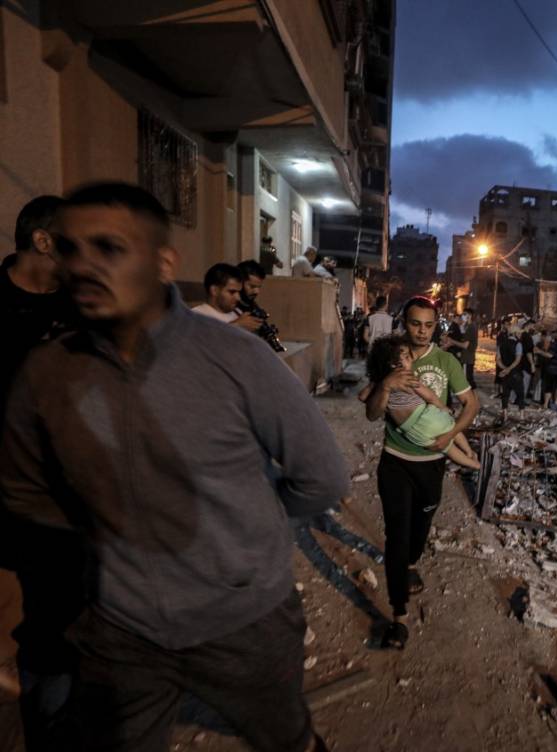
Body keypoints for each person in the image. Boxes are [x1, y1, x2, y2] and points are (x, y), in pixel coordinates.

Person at [0, 182, 347, 752]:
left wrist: (245, 530)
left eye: (109, 248)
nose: (84, 266)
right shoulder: (47, 371)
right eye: (70, 249)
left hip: (244, 619)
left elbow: (321, 476)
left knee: (287, 739)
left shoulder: (236, 357)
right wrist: (104, 544)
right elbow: (24, 492)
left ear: (163, 263)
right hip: (120, 630)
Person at [0, 195, 84, 751]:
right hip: (9, 496)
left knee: (62, 619)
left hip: (70, 497)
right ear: (44, 241)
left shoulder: (83, 307)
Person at [362, 296, 480, 650]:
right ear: (404, 323)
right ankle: (399, 617)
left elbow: (471, 404)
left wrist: (450, 433)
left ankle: (412, 561)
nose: (422, 331)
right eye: (415, 324)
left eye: (429, 325)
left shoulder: (446, 361)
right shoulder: (390, 357)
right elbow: (371, 413)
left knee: (421, 525)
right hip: (395, 462)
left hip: (432, 465)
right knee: (396, 537)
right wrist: (385, 386)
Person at [360, 335, 480, 469]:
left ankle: (474, 464)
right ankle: (470, 455)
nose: (411, 360)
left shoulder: (382, 384)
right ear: (394, 364)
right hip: (425, 417)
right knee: (451, 430)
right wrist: (444, 408)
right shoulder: (407, 377)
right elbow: (430, 396)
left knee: (448, 449)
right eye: (406, 358)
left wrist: (377, 383)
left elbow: (362, 397)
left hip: (410, 431)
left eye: (408, 357)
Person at [192, 263, 263, 332]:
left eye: (238, 292)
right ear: (214, 290)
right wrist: (236, 326)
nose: (238, 298)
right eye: (232, 292)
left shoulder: (238, 312)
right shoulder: (196, 316)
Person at [235, 259, 285, 351]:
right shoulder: (229, 307)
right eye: (252, 286)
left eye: (259, 287)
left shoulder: (250, 304)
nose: (256, 292)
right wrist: (237, 325)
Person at [496, 320, 525, 421]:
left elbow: (498, 360)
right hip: (516, 372)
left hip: (505, 374)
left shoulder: (501, 344)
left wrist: (504, 369)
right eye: (519, 333)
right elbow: (518, 360)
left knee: (505, 394)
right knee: (520, 394)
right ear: (515, 333)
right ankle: (521, 416)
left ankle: (505, 415)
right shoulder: (518, 344)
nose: (520, 335)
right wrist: (509, 369)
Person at [532, 330, 553, 404]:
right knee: (539, 382)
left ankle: (544, 400)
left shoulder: (552, 345)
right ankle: (538, 398)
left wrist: (540, 352)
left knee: (545, 383)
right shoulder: (539, 344)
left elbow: (550, 355)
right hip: (540, 365)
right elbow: (535, 352)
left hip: (548, 366)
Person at [520, 319, 537, 399]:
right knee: (525, 381)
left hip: (521, 361)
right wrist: (532, 364)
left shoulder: (521, 335)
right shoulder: (527, 336)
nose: (534, 327)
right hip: (526, 363)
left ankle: (517, 398)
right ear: (529, 325)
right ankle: (521, 399)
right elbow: (528, 352)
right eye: (533, 326)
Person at [461, 310, 479, 387]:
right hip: (468, 357)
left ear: (470, 316)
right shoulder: (468, 326)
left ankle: (471, 394)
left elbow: (465, 345)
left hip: (467, 358)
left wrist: (452, 341)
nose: (463, 316)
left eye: (465, 314)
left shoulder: (471, 327)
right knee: (469, 380)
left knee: (467, 381)